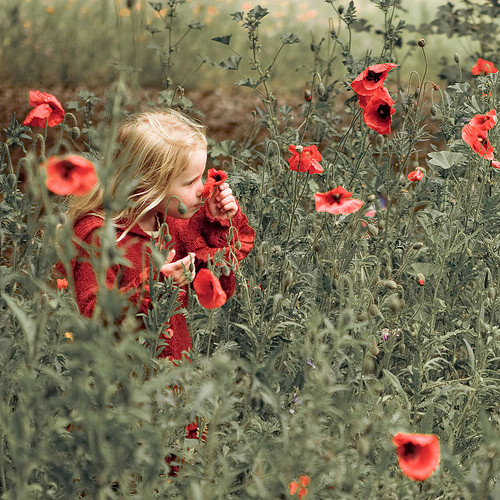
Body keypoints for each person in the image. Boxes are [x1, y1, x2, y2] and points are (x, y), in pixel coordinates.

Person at [60, 108, 255, 361]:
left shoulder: (171, 224)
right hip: (121, 385)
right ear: (146, 185)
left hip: (175, 379)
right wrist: (154, 285)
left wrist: (218, 224)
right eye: (189, 182)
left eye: (201, 177)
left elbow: (220, 290)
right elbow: (89, 316)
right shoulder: (100, 236)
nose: (202, 189)